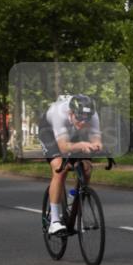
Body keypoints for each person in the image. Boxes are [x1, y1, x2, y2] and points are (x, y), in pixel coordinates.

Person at [39, 95, 103, 235]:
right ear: (71, 113)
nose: (82, 123)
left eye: (86, 120)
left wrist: (97, 146)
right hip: (49, 131)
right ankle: (54, 221)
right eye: (79, 118)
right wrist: (81, 145)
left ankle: (73, 198)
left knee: (86, 168)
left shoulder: (92, 116)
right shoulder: (59, 115)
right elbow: (63, 147)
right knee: (59, 169)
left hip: (73, 135)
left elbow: (96, 139)